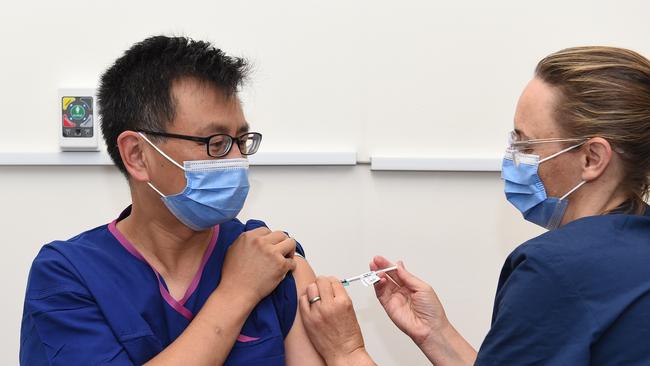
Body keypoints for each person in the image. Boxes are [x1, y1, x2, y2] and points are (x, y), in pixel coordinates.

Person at [299, 46, 650, 365]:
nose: (512, 159)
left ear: (592, 157)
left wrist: (346, 351)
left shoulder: (557, 270)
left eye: (527, 145)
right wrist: (436, 334)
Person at [20, 36, 325, 365]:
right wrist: (238, 293)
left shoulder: (271, 255)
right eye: (216, 142)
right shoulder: (69, 276)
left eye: (241, 140)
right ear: (138, 155)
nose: (238, 159)